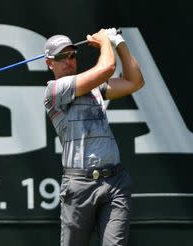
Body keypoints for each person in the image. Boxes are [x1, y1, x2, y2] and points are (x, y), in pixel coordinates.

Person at [43, 28, 144, 246]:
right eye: (61, 57)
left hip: (114, 181)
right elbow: (107, 67)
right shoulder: (53, 91)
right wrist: (104, 40)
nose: (69, 61)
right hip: (79, 185)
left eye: (72, 55)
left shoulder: (96, 88)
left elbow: (134, 81)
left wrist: (118, 42)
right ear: (49, 63)